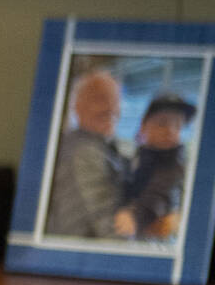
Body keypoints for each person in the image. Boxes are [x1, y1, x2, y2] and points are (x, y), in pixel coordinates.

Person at [45, 69, 128, 237]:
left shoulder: (106, 146)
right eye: (101, 99)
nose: (111, 108)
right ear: (77, 106)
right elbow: (109, 228)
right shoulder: (82, 151)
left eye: (115, 100)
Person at [116, 92, 195, 240]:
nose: (170, 131)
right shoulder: (129, 162)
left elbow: (157, 198)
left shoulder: (181, 170)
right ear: (144, 125)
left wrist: (132, 217)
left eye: (177, 125)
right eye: (162, 123)